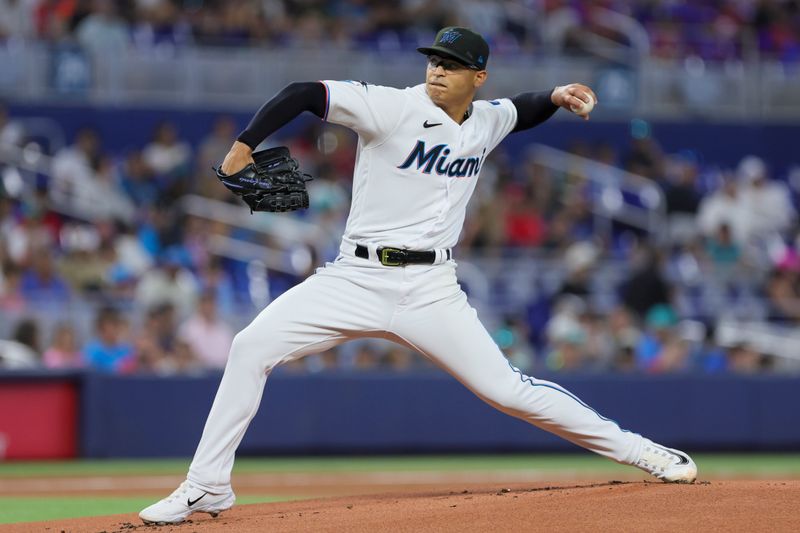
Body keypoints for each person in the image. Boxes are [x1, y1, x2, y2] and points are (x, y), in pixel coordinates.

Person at [140, 27, 697, 525]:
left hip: (432, 290)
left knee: (508, 390)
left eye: (451, 64)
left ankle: (639, 450)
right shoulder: (391, 107)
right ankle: (207, 487)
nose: (436, 69)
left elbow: (519, 109)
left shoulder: (485, 119)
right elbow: (304, 93)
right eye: (433, 59)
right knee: (248, 347)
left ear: (477, 77)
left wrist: (554, 96)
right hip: (354, 277)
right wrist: (243, 147)